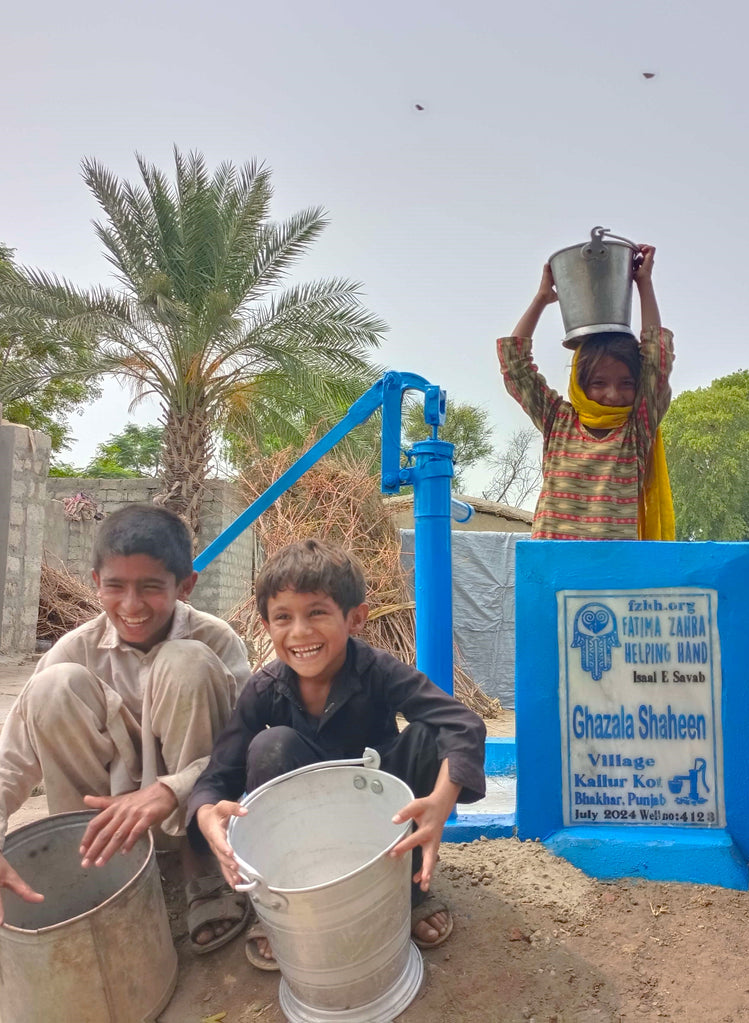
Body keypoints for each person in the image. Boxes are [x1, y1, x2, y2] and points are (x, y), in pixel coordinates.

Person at [189, 538, 486, 969]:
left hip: (378, 813)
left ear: (355, 619)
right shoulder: (264, 687)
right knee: (271, 746)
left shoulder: (379, 670)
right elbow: (218, 774)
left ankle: (410, 888)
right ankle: (282, 906)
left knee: (425, 734)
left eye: (317, 613)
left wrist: (441, 803)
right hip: (305, 830)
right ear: (266, 626)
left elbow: (463, 723)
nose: (300, 633)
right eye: (283, 618)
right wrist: (205, 813)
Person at [0, 503, 251, 952]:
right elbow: (10, 762)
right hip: (107, 826)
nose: (132, 606)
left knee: (187, 660)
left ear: (185, 586)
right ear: (96, 582)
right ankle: (97, 866)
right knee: (53, 687)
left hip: (192, 816)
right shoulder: (74, 650)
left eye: (151, 588)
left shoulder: (215, 640)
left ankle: (202, 863)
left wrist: (173, 789)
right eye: (115, 587)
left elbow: (245, 745)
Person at [498, 243, 675, 540]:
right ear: (580, 384)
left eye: (626, 384)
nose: (612, 394)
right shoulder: (558, 421)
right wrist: (542, 298)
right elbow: (515, 366)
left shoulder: (636, 429)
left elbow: (657, 360)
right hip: (552, 564)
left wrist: (644, 283)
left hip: (612, 571)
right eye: (599, 383)